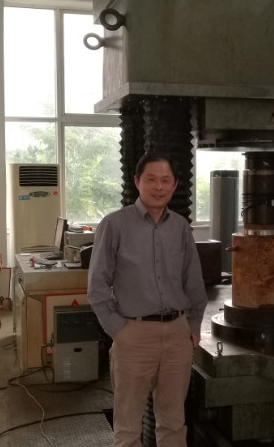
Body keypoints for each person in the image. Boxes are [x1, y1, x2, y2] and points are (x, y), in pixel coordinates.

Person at [88, 151, 208, 447]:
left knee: (173, 423)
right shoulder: (114, 225)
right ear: (137, 182)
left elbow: (193, 281)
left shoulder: (180, 227)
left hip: (177, 336)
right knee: (128, 429)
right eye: (151, 179)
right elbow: (97, 286)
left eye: (165, 180)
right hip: (134, 335)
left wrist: (193, 325)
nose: (158, 186)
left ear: (174, 185)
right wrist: (119, 330)